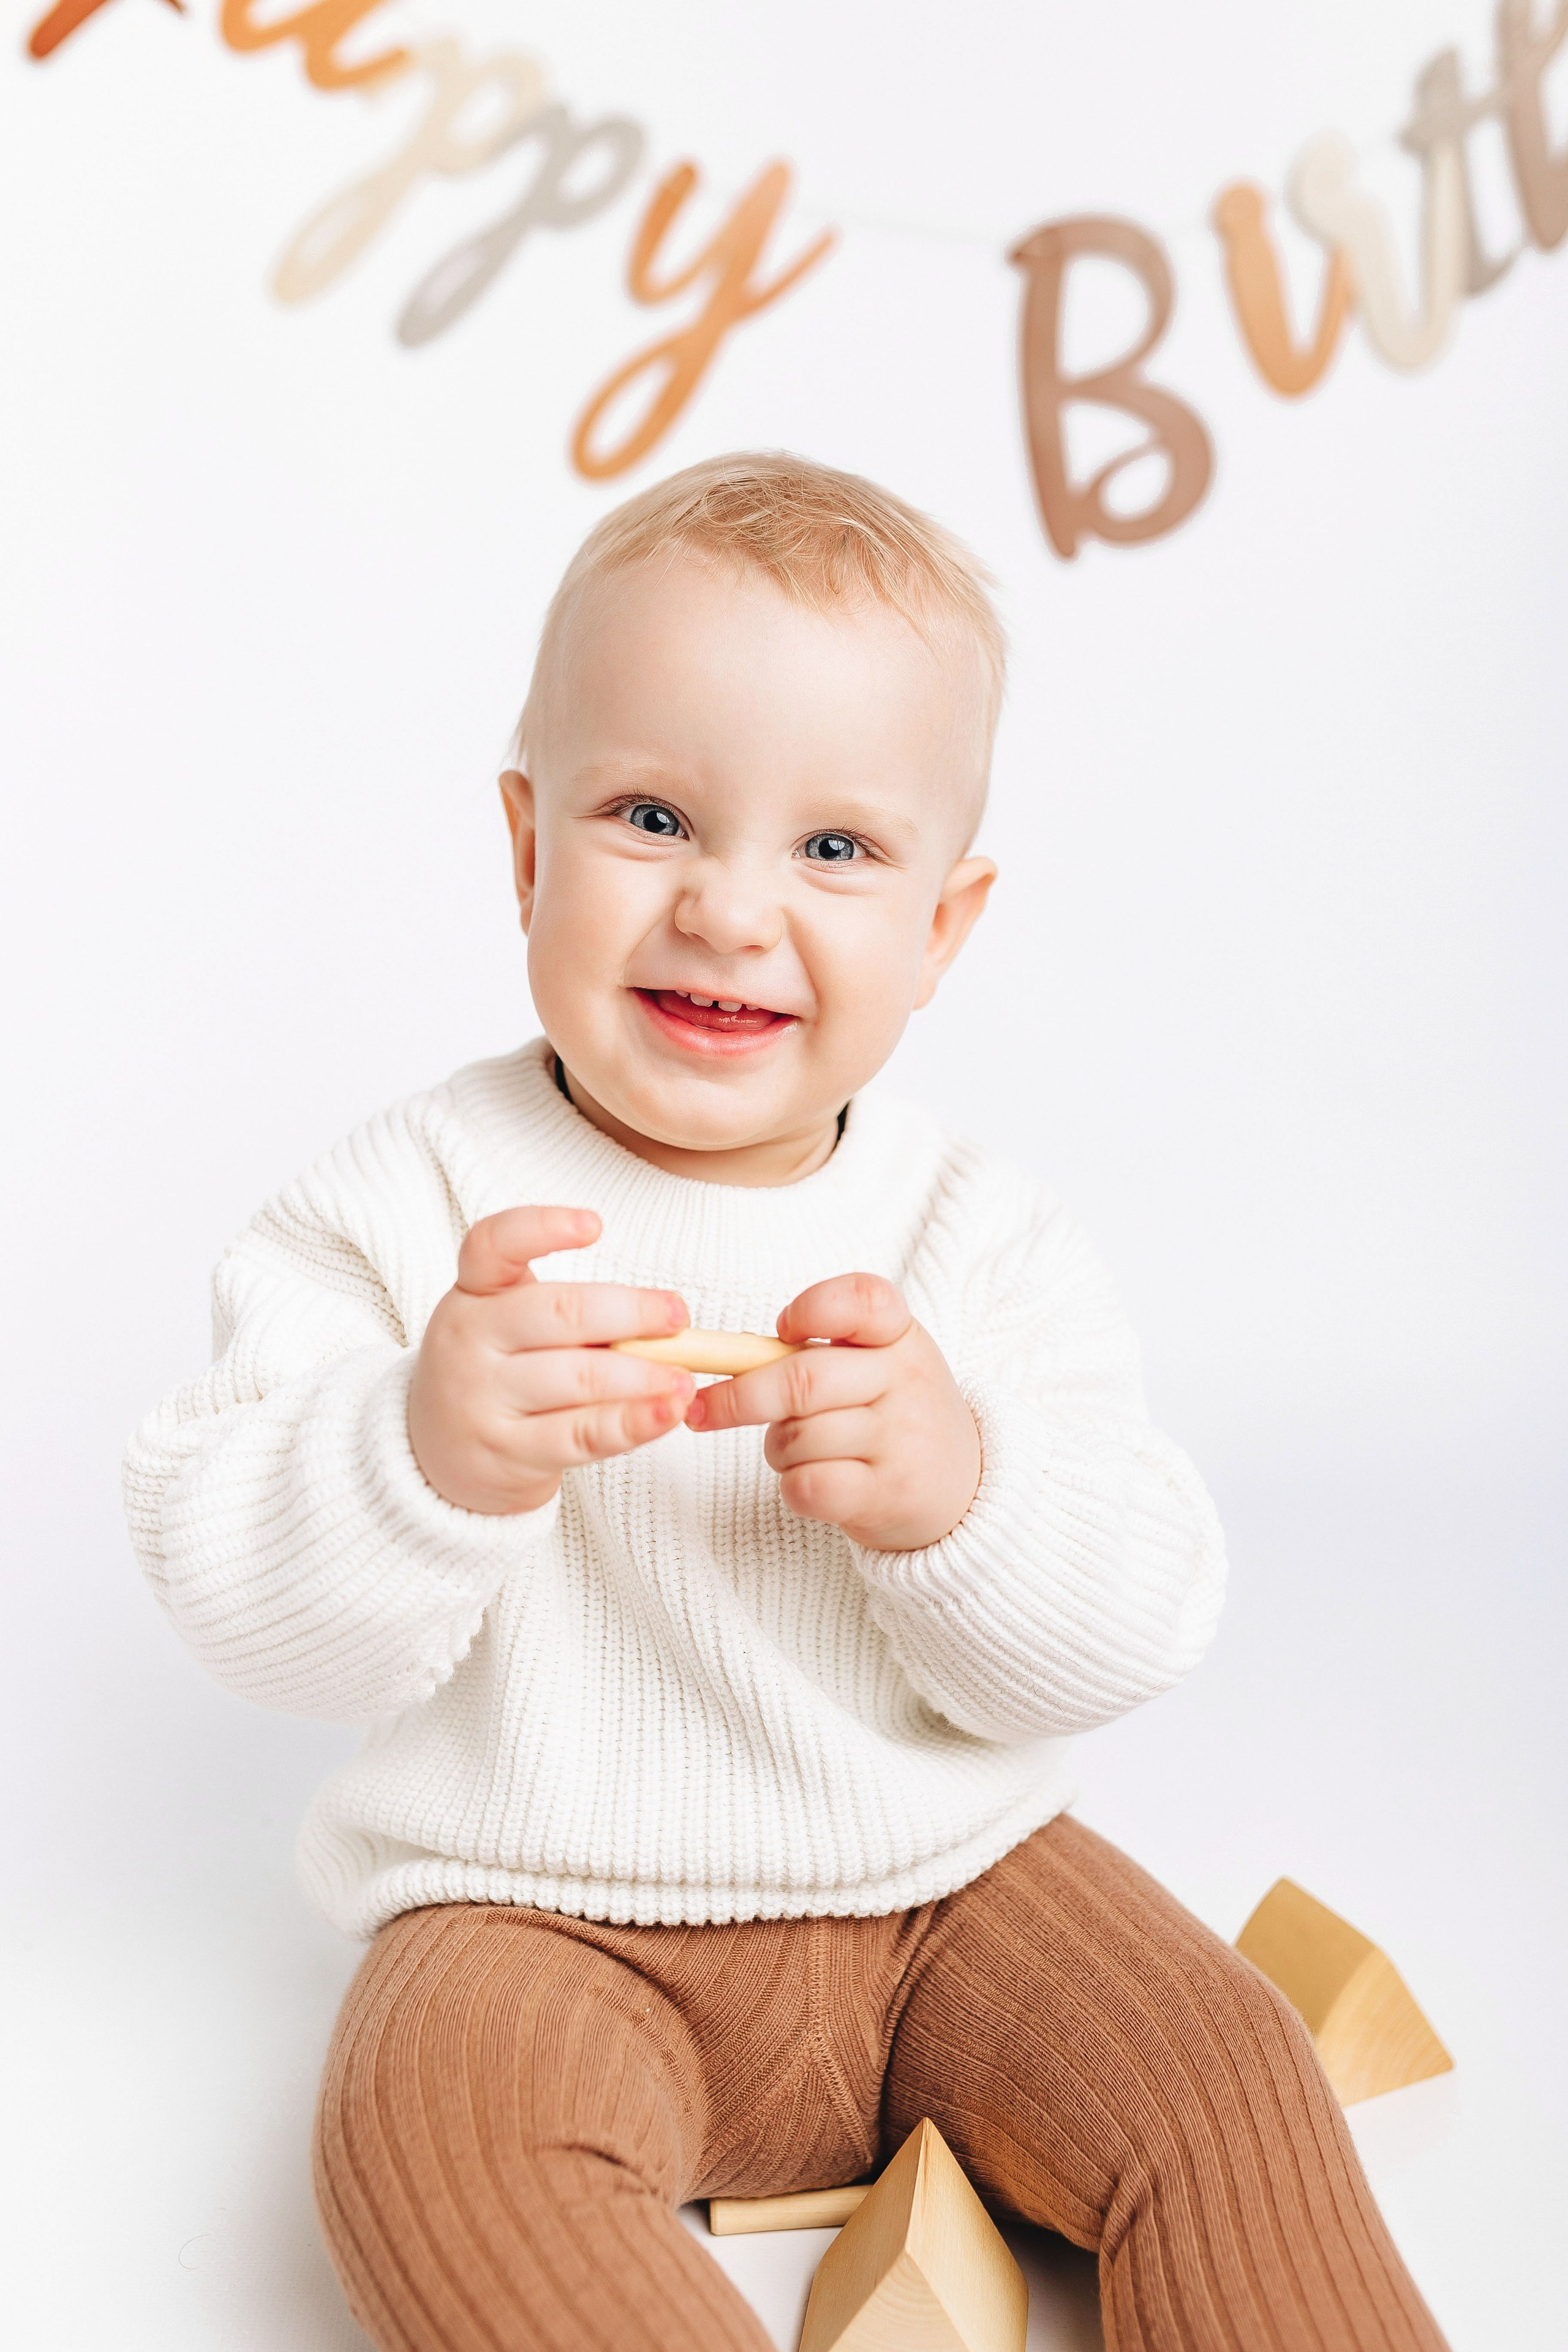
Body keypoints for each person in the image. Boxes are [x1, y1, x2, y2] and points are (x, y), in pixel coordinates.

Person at [125, 453, 1448, 2352]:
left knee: (1232, 2079)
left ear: (945, 925)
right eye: (654, 816)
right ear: (525, 850)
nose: (731, 913)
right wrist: (414, 1457)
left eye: (835, 850)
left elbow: (1133, 1624)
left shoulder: (972, 1238)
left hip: (953, 1897)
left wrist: (966, 1497)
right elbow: (241, 1604)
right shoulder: (400, 1207)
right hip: (537, 1917)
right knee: (430, 2150)